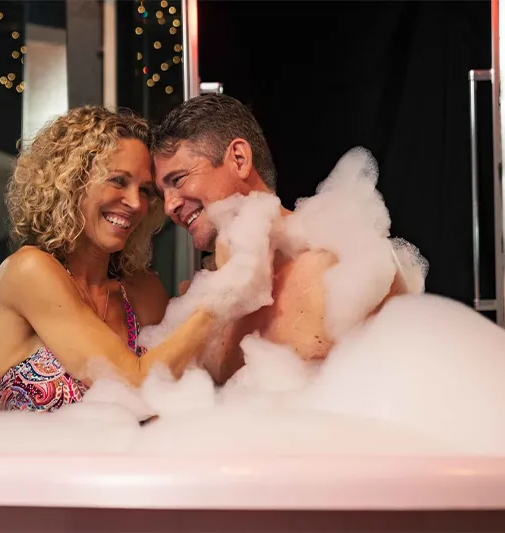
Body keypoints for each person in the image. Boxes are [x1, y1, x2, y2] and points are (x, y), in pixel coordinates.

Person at [150, 94, 406, 385]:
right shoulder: (201, 301)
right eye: (162, 193)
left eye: (178, 179)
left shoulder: (349, 270)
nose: (169, 206)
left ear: (239, 159)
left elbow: (404, 402)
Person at [0, 106, 216, 412]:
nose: (136, 203)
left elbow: (175, 399)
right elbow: (132, 385)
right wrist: (220, 299)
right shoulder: (29, 271)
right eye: (118, 181)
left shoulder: (144, 290)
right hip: (29, 458)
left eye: (146, 190)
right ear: (71, 182)